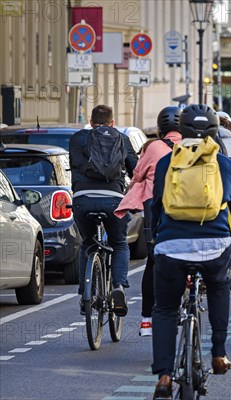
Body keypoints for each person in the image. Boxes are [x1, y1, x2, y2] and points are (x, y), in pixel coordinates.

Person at [150, 104, 231, 398]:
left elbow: (156, 205)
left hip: (171, 246)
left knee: (164, 308)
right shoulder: (227, 166)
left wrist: (158, 238)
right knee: (218, 288)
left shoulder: (167, 163)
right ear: (215, 131)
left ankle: (164, 375)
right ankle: (218, 353)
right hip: (214, 246)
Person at [114, 106, 183, 337]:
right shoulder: (193, 146)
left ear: (161, 129)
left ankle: (146, 320)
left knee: (153, 264)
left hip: (155, 212)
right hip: (186, 212)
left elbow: (137, 175)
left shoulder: (152, 147)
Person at [69, 105, 138, 317]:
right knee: (119, 244)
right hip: (113, 200)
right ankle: (118, 287)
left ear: (90, 121)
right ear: (112, 123)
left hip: (83, 200)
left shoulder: (77, 138)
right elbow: (136, 170)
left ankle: (85, 296)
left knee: (88, 245)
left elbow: (74, 165)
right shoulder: (121, 138)